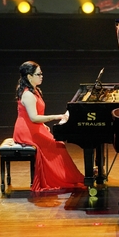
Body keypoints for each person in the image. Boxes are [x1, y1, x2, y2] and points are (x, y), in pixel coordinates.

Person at [13, 61, 85, 192]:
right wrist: (57, 116)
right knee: (57, 146)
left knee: (59, 145)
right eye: (38, 74)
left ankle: (71, 177)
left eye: (41, 73)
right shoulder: (28, 94)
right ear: (29, 76)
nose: (42, 76)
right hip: (26, 131)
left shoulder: (34, 90)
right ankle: (64, 178)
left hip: (33, 127)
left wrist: (43, 124)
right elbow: (33, 118)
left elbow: (33, 116)